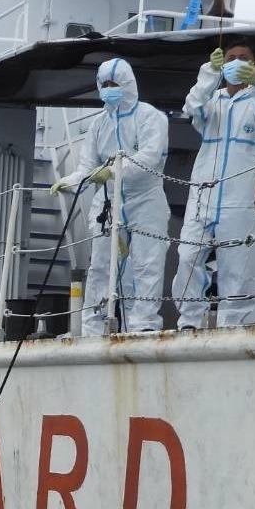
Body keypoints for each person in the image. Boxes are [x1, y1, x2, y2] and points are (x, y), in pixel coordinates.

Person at [172, 37, 255, 329]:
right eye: (230, 58)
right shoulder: (213, 101)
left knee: (236, 263)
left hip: (237, 198)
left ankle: (231, 324)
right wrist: (209, 73)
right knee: (187, 256)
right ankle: (189, 321)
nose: (236, 62)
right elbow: (191, 106)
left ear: (254, 64)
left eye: (243, 58)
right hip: (202, 195)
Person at [52, 58, 172, 336]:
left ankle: (143, 325)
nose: (109, 89)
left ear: (127, 84)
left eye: (114, 84)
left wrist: (114, 170)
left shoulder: (150, 117)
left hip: (145, 199)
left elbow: (150, 157)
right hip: (107, 201)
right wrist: (70, 182)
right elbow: (86, 166)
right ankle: (92, 328)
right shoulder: (99, 124)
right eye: (104, 84)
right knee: (101, 266)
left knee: (146, 263)